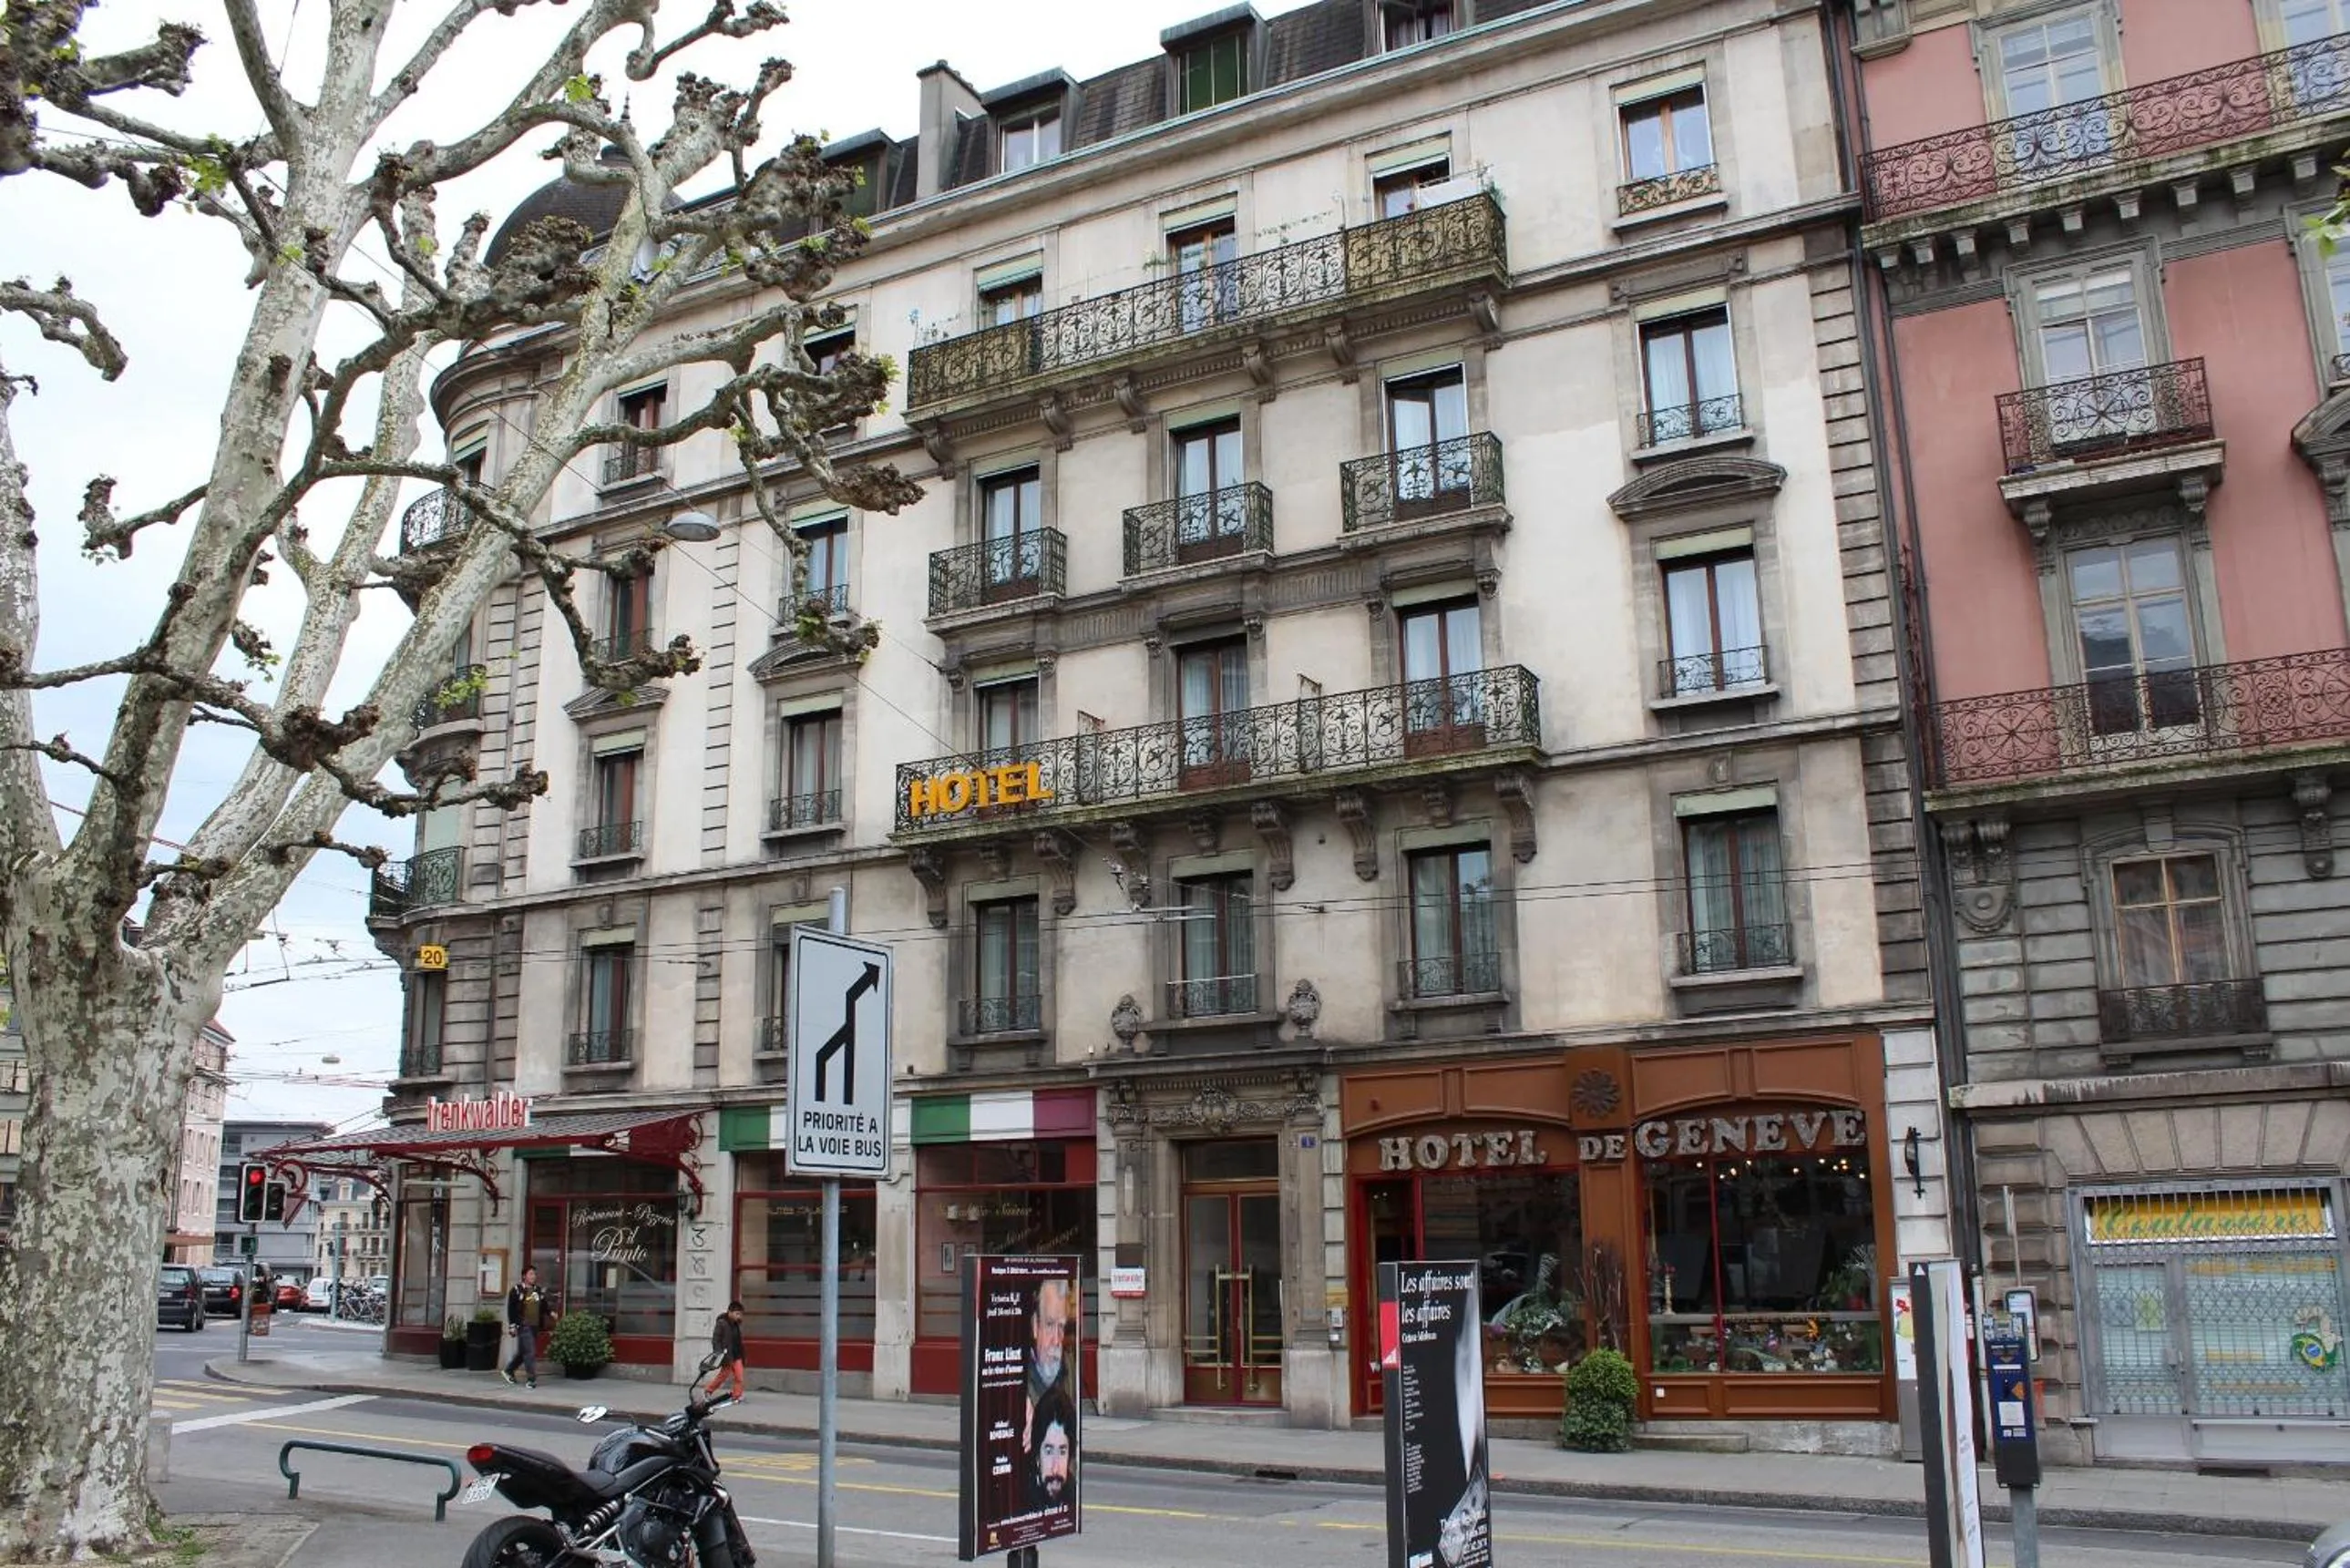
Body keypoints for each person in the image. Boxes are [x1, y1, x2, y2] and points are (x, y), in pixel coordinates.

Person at [1024, 1388, 1076, 1514]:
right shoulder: (1022, 1498)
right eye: (1048, 1451)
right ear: (1037, 1454)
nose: (1055, 1469)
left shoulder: (1072, 1492)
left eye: (1062, 1451)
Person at [502, 1266, 546, 1388]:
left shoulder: (537, 1290)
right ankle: (531, 1380)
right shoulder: (516, 1290)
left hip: (534, 1325)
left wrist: (551, 1313)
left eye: (534, 1274)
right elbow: (511, 1309)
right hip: (523, 1324)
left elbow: (543, 1305)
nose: (533, 1277)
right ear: (524, 1276)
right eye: (531, 1274)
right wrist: (512, 1326)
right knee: (530, 1352)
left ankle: (509, 1370)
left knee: (523, 1352)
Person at [703, 1299, 746, 1402]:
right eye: (737, 1314)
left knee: (739, 1377)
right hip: (726, 1355)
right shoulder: (722, 1323)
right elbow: (715, 1339)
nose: (739, 1316)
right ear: (729, 1312)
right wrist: (719, 1352)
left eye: (740, 1314)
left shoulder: (737, 1324)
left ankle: (736, 1396)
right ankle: (708, 1390)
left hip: (737, 1355)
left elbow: (738, 1340)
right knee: (723, 1376)